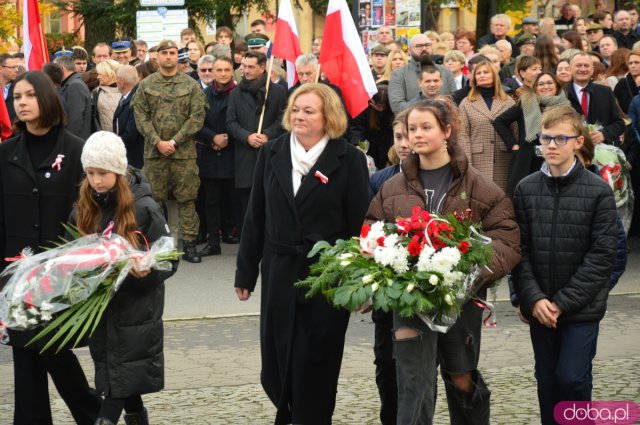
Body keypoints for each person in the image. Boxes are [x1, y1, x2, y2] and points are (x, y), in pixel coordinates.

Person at [366, 98, 520, 425]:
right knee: (412, 383)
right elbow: (371, 231)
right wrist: (375, 268)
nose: (416, 136)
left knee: (462, 379)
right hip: (408, 303)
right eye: (411, 129)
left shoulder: (477, 184)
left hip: (460, 301)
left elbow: (507, 236)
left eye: (426, 127)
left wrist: (473, 269)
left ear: (447, 130)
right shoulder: (393, 187)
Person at [234, 83, 370, 424]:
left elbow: (359, 225)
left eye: (309, 111)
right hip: (280, 270)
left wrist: (360, 280)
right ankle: (289, 408)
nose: (299, 116)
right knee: (277, 360)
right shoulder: (272, 152)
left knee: (316, 360)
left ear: (328, 117)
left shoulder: (348, 158)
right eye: (296, 109)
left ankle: (310, 417)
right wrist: (245, 272)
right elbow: (256, 214)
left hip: (326, 275)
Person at [0, 71, 102, 425]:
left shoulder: (76, 149)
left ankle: (92, 412)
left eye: (29, 95)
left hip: (61, 271)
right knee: (27, 353)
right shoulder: (6, 152)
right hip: (16, 273)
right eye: (16, 97)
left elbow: (91, 211)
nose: (22, 103)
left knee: (51, 348)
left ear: (46, 99)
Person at [512, 106, 617, 425]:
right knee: (547, 381)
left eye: (560, 138)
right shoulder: (525, 188)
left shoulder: (598, 191)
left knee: (572, 378)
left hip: (581, 307)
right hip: (540, 305)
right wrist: (533, 299)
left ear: (577, 142)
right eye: (546, 138)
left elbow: (602, 256)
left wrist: (561, 303)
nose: (552, 145)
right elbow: (520, 251)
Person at [71, 131, 178, 425]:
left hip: (135, 311)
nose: (96, 180)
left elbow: (169, 258)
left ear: (118, 171)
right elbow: (72, 251)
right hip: (102, 311)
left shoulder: (144, 208)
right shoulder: (84, 206)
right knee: (119, 379)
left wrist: (145, 269)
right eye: (90, 173)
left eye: (103, 172)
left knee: (118, 381)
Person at [131, 39, 206, 263]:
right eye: (164, 53)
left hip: (183, 154)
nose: (168, 57)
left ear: (177, 56)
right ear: (158, 56)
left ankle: (189, 245)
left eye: (172, 53)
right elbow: (140, 117)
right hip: (155, 154)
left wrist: (174, 141)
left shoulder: (191, 85)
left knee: (187, 198)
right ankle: (156, 245)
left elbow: (197, 117)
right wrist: (157, 141)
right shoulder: (146, 85)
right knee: (154, 200)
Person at [367, 108, 411, 425]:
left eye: (411, 134)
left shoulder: (446, 177)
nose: (406, 143)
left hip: (426, 289)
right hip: (386, 287)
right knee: (386, 363)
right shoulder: (378, 181)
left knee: (420, 370)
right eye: (399, 137)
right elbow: (365, 233)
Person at [226, 50, 287, 235]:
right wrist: (247, 137)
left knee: (270, 201)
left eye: (251, 67)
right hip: (245, 158)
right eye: (244, 66)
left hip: (270, 155)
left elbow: (283, 119)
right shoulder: (236, 93)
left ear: (263, 68)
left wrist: (267, 135)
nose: (246, 70)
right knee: (247, 204)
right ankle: (249, 241)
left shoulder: (277, 91)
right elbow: (230, 122)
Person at [493, 72, 570, 194]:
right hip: (528, 160)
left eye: (550, 83)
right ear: (535, 87)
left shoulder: (566, 106)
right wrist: (513, 144)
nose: (545, 86)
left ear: (557, 86)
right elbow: (499, 122)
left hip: (556, 158)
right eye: (541, 84)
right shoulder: (526, 103)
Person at [196, 56, 239, 256]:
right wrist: (213, 137)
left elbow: (243, 121)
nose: (222, 74)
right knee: (211, 201)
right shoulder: (203, 95)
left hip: (232, 153)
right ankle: (213, 241)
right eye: (218, 70)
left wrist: (228, 138)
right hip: (210, 153)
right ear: (212, 72)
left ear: (232, 71)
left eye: (226, 70)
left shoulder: (239, 94)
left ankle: (230, 231)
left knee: (233, 198)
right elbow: (196, 123)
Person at [459, 60, 516, 192]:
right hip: (478, 160)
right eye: (478, 73)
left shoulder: (508, 101)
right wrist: (468, 166)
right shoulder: (466, 103)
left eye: (486, 72)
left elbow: (515, 132)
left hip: (504, 160)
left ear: (494, 76)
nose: (481, 75)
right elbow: (463, 136)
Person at [565, 52, 624, 146]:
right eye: (578, 65)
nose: (583, 69)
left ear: (592, 70)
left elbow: (619, 123)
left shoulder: (605, 92)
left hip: (601, 151)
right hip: (571, 149)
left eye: (586, 65)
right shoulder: (562, 93)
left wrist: (604, 134)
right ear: (570, 69)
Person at [389, 33, 456, 113]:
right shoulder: (399, 74)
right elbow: (397, 107)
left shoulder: (445, 71)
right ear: (410, 50)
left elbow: (454, 101)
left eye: (427, 45)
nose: (424, 48)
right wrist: (428, 106)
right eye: (419, 46)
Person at [350, 83, 394, 169]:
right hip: (369, 147)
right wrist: (359, 146)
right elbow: (357, 128)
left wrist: (382, 113)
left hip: (387, 149)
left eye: (382, 106)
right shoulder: (364, 106)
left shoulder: (392, 111)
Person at [113, 65, 145, 169]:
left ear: (122, 82)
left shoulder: (137, 99)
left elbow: (132, 133)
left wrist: (114, 144)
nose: (116, 84)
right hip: (127, 153)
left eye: (117, 81)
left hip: (134, 158)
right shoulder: (128, 96)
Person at [55, 54, 92, 139]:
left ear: (62, 68)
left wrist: (68, 143)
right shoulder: (70, 84)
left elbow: (75, 120)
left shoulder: (75, 85)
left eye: (55, 69)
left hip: (74, 143)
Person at [94, 59, 122, 132]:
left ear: (110, 73)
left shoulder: (126, 91)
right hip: (104, 139)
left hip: (124, 139)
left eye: (100, 74)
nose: (98, 77)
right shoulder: (97, 92)